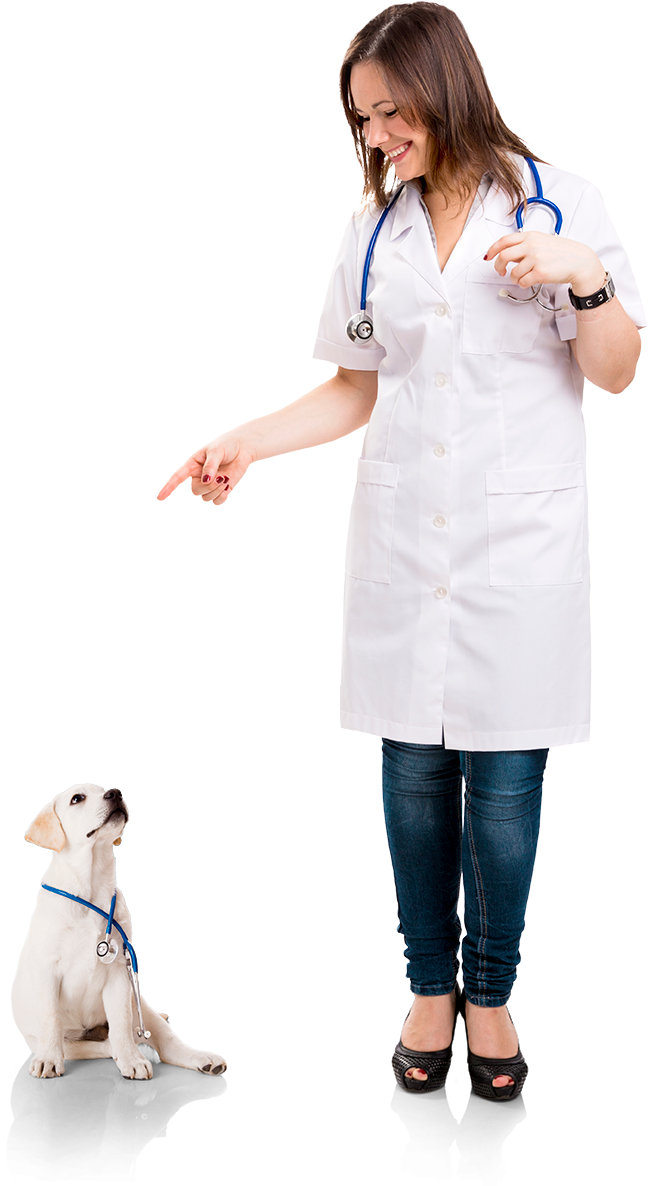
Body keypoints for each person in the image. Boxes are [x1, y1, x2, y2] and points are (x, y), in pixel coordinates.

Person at [159, 0, 644, 1121]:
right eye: (362, 120)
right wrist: (244, 441)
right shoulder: (375, 229)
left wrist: (587, 276)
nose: (375, 138)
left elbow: (620, 371)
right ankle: (429, 992)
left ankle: (492, 998)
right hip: (402, 537)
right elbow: (353, 385)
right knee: (415, 774)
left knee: (507, 784)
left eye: (388, 112)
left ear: (444, 85)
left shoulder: (558, 201)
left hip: (518, 551)